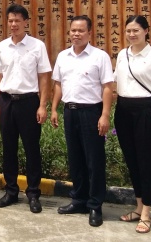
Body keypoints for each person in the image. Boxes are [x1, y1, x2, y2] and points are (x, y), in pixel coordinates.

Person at [50, 16, 114, 226]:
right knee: (75, 158)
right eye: (73, 30)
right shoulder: (63, 56)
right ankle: (79, 200)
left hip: (91, 112)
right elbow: (58, 84)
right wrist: (54, 109)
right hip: (70, 112)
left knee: (94, 160)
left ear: (89, 33)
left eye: (80, 30)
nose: (76, 34)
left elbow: (107, 87)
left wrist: (105, 115)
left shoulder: (99, 56)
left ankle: (95, 205)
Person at [114, 15, 151, 234]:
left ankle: (147, 212)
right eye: (128, 30)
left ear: (146, 31)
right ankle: (138, 207)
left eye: (136, 30)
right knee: (132, 159)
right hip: (123, 110)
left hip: (145, 111)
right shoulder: (123, 54)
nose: (131, 34)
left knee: (146, 161)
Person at [0, 4, 51, 214]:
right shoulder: (2, 46)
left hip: (28, 103)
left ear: (26, 22)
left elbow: (44, 77)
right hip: (6, 102)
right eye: (10, 20)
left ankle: (33, 193)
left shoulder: (37, 46)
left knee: (31, 149)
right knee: (9, 149)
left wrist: (42, 105)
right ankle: (11, 191)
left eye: (17, 20)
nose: (13, 24)